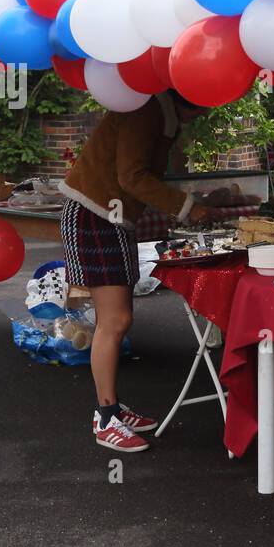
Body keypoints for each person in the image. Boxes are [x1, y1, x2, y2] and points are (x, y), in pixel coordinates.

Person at [59, 89, 211, 452]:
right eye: (204, 106)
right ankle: (106, 418)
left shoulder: (157, 114)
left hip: (108, 219)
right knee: (114, 321)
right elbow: (132, 177)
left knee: (117, 320)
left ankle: (111, 406)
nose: (203, 114)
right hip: (93, 218)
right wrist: (188, 207)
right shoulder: (147, 111)